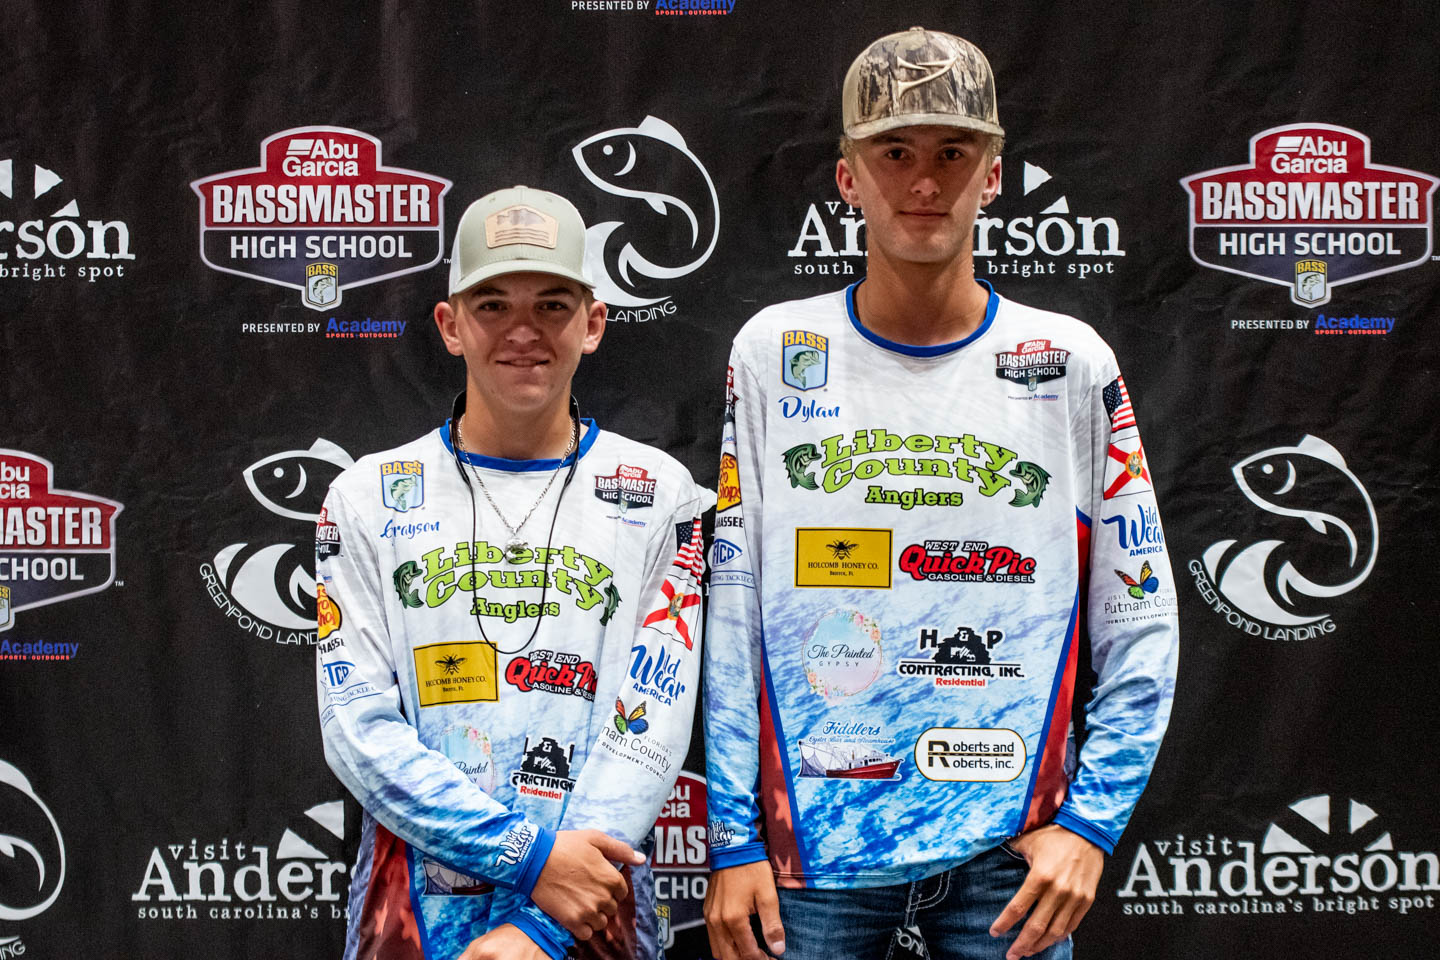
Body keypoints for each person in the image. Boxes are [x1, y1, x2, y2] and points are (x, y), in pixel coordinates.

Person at [702, 27, 1179, 960]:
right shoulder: (773, 354)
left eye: (953, 153)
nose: (924, 181)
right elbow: (731, 608)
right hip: (811, 861)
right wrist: (732, 836)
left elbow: (1141, 612)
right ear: (847, 177)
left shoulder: (1068, 364)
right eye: (895, 153)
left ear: (993, 175)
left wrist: (1091, 824)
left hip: (1010, 862)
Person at [317, 186, 706, 960]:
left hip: (594, 916)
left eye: (552, 305)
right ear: (450, 324)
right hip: (415, 921)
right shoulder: (365, 497)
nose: (523, 331)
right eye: (492, 305)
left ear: (593, 323)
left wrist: (540, 926)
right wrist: (529, 860)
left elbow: (652, 722)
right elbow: (356, 728)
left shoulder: (661, 494)